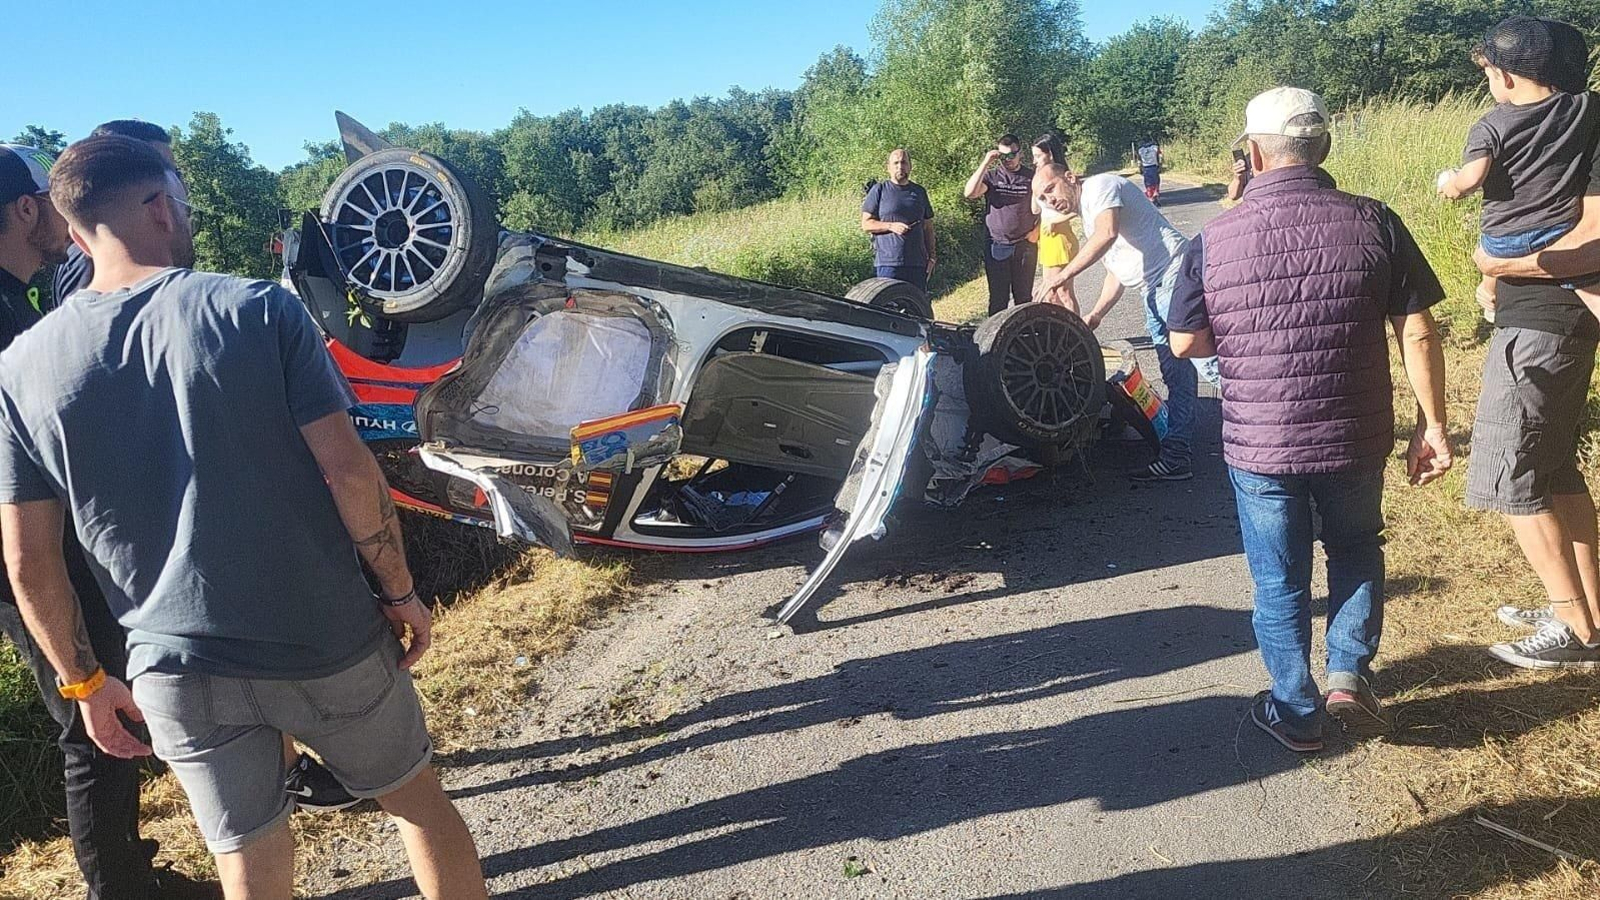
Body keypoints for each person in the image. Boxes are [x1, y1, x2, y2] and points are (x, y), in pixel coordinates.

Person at [1, 135, 488, 899]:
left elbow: (29, 562)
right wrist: (398, 590)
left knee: (248, 862)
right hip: (321, 636)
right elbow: (348, 472)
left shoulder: (20, 369)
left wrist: (83, 682)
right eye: (182, 202)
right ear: (158, 205)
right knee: (415, 805)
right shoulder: (258, 309)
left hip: (173, 672)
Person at [55, 119, 357, 815]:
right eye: (168, 174)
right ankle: (273, 776)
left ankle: (282, 771)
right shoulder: (90, 278)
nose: (180, 191)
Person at [1163, 87, 1454, 753]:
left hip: (1260, 444)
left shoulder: (1213, 239)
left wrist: (1242, 336)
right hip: (1354, 434)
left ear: (1255, 154)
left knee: (1278, 577)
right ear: (1322, 147)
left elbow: (1183, 342)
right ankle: (1349, 674)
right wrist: (1432, 424)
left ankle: (1297, 712)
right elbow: (1418, 333)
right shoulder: (1375, 220)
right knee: (1354, 546)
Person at [0, 144, 197, 898]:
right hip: (26, 556)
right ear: (27, 211)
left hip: (41, 545)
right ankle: (116, 889)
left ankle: (127, 869)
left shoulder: (18, 301)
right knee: (88, 709)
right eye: (51, 203)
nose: (66, 221)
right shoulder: (5, 318)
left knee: (100, 700)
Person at [1468, 69, 1600, 670]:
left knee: (1512, 473)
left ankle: (1574, 627)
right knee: (1552, 468)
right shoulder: (1568, 124)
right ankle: (1587, 611)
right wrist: (1495, 272)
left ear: (1508, 74)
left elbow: (1591, 246)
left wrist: (1499, 262)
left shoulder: (1584, 125)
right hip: (1548, 319)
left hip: (1547, 324)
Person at [1036, 163, 1204, 481]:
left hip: (1173, 278)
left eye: (1051, 189)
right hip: (1152, 289)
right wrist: (1095, 315)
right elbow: (1116, 273)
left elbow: (1107, 235)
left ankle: (1262, 435)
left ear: (1070, 177)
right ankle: (1178, 454)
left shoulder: (1100, 187)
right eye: (1042, 198)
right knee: (1177, 371)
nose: (1049, 200)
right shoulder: (1089, 217)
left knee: (1206, 361)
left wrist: (1063, 274)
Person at [1436, 17, 1599, 322]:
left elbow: (1471, 179)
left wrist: (1451, 186)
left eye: (1488, 76)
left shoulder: (1490, 126)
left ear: (1506, 78)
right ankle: (1494, 291)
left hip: (1505, 239)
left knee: (1489, 247)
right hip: (1559, 227)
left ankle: (1490, 294)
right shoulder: (1581, 107)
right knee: (1589, 285)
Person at [964, 134, 1039, 315]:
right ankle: (996, 340)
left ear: (1020, 152)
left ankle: (1025, 338)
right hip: (997, 245)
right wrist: (986, 162)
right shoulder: (992, 177)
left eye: (1012, 154)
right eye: (1004, 156)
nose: (1009, 160)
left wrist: (1037, 230)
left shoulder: (1032, 177)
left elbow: (1046, 205)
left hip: (1025, 244)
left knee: (1023, 298)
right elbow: (970, 193)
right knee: (998, 299)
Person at [861, 148, 936, 291]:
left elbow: (928, 227)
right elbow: (866, 224)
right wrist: (890, 226)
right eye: (895, 163)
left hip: (917, 263)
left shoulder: (919, 191)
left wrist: (932, 257)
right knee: (888, 309)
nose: (900, 167)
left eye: (904, 162)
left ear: (910, 166)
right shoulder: (879, 190)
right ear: (888, 167)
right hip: (888, 264)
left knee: (918, 308)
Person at [1031, 134, 1079, 308]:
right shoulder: (1041, 180)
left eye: (1037, 156)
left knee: (1064, 292)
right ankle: (1062, 331)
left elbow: (1078, 207)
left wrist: (1058, 221)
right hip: (1046, 240)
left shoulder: (1062, 177)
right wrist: (1036, 180)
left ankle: (1078, 332)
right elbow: (1035, 209)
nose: (1034, 161)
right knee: (1051, 295)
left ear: (1049, 154)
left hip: (1060, 238)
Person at [1137, 138, 1163, 204]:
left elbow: (1139, 161)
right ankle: (1156, 193)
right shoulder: (1155, 148)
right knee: (1156, 181)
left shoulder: (1140, 150)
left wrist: (1140, 169)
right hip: (1154, 167)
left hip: (1146, 168)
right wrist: (1160, 165)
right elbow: (1160, 156)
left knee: (1148, 183)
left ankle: (1150, 196)